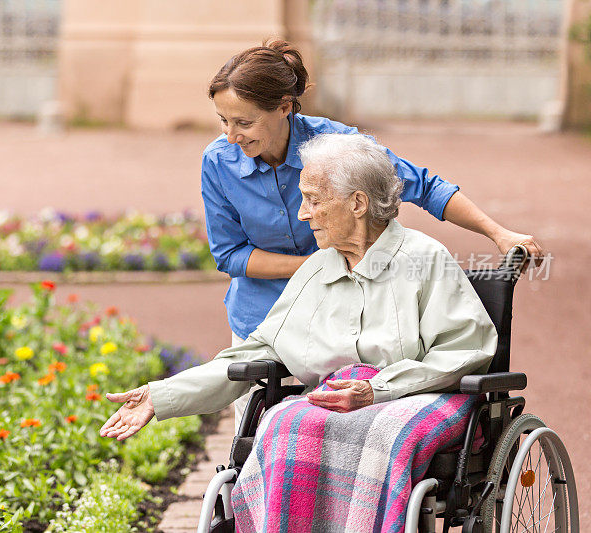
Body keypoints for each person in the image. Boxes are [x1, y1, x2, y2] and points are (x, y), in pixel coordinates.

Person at [99, 132, 498, 530]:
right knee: (282, 421)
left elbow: (463, 351)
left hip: (421, 396)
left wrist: (379, 390)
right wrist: (162, 395)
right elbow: (256, 354)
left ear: (358, 203)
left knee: (377, 432)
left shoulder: (424, 258)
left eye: (313, 199)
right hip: (340, 401)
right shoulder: (316, 269)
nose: (302, 214)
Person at [197, 39, 538, 428]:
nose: (230, 136)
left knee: (339, 433)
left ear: (284, 107)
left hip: (342, 323)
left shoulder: (336, 147)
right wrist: (316, 267)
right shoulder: (218, 162)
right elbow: (230, 255)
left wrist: (498, 233)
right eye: (224, 121)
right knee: (258, 439)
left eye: (244, 122)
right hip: (261, 322)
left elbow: (423, 186)